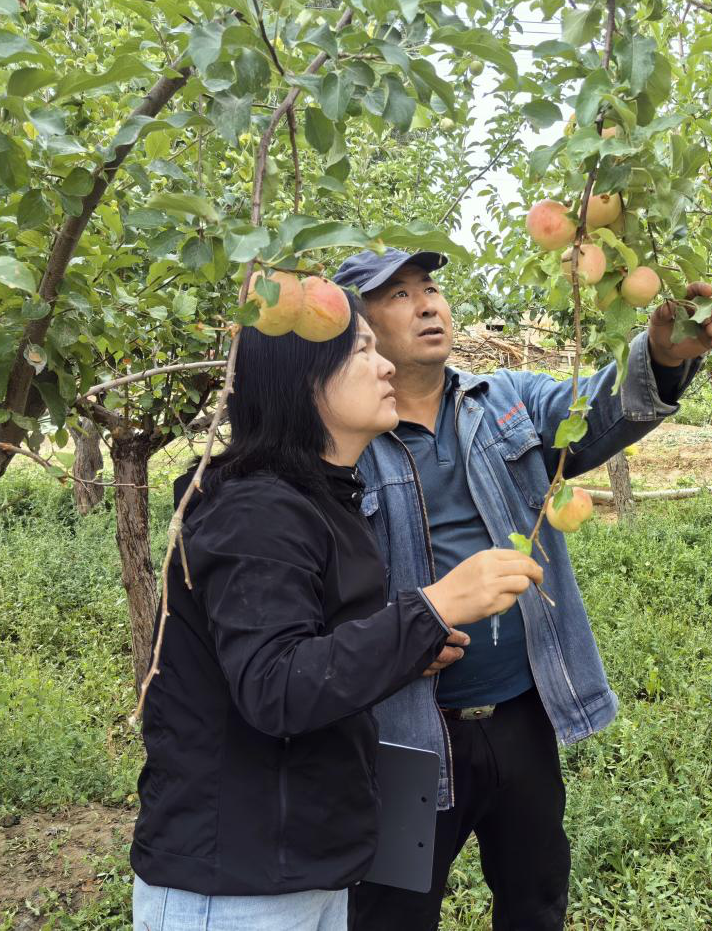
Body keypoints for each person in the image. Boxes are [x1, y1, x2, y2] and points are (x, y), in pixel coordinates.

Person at [332, 248, 712, 930]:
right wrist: (388, 637)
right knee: (392, 913)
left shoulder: (506, 400)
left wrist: (663, 357)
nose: (427, 305)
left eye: (430, 288)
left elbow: (597, 412)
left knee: (536, 899)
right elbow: (315, 580)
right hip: (403, 735)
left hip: (520, 715)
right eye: (398, 296)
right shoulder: (345, 439)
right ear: (357, 329)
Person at [129, 290, 544, 931]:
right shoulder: (256, 510)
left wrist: (405, 643)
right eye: (362, 351)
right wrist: (433, 607)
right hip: (238, 885)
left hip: (301, 862)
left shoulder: (319, 498)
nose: (385, 366)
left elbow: (311, 649)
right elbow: (275, 686)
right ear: (304, 379)